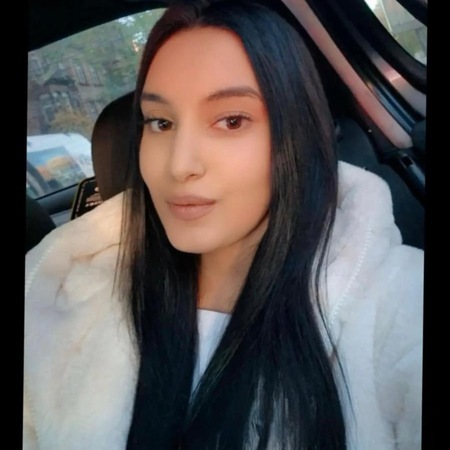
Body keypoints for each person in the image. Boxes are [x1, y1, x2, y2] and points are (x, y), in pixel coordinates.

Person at [23, 1, 423, 449]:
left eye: (231, 121)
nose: (180, 165)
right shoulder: (57, 297)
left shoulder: (402, 307)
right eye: (160, 122)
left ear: (297, 133)